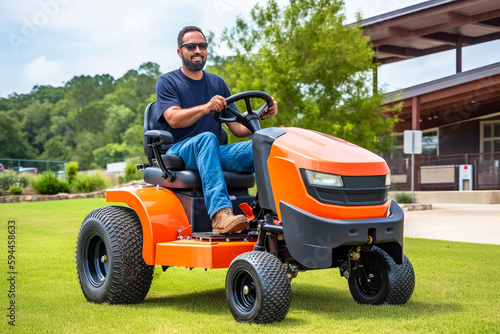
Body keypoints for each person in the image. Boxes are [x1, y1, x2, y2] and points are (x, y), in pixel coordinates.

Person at [156, 26, 278, 234]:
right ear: (180, 52)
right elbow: (173, 118)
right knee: (207, 138)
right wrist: (205, 108)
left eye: (202, 46)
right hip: (179, 151)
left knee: (266, 143)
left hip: (211, 153)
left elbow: (238, 128)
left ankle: (273, 212)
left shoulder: (217, 83)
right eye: (191, 46)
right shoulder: (168, 82)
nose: (198, 50)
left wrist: (261, 116)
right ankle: (220, 214)